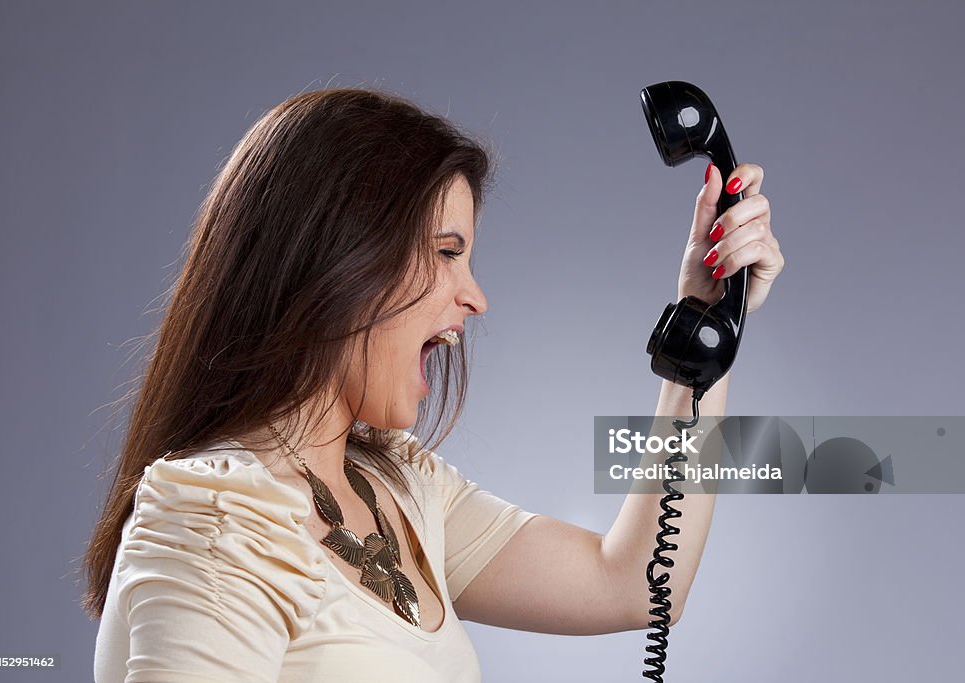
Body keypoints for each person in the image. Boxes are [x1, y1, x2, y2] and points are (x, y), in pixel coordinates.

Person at [83, 86, 784, 682]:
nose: (475, 297)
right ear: (338, 257)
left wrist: (707, 323)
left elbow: (636, 584)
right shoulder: (219, 522)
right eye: (447, 252)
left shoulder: (400, 489)